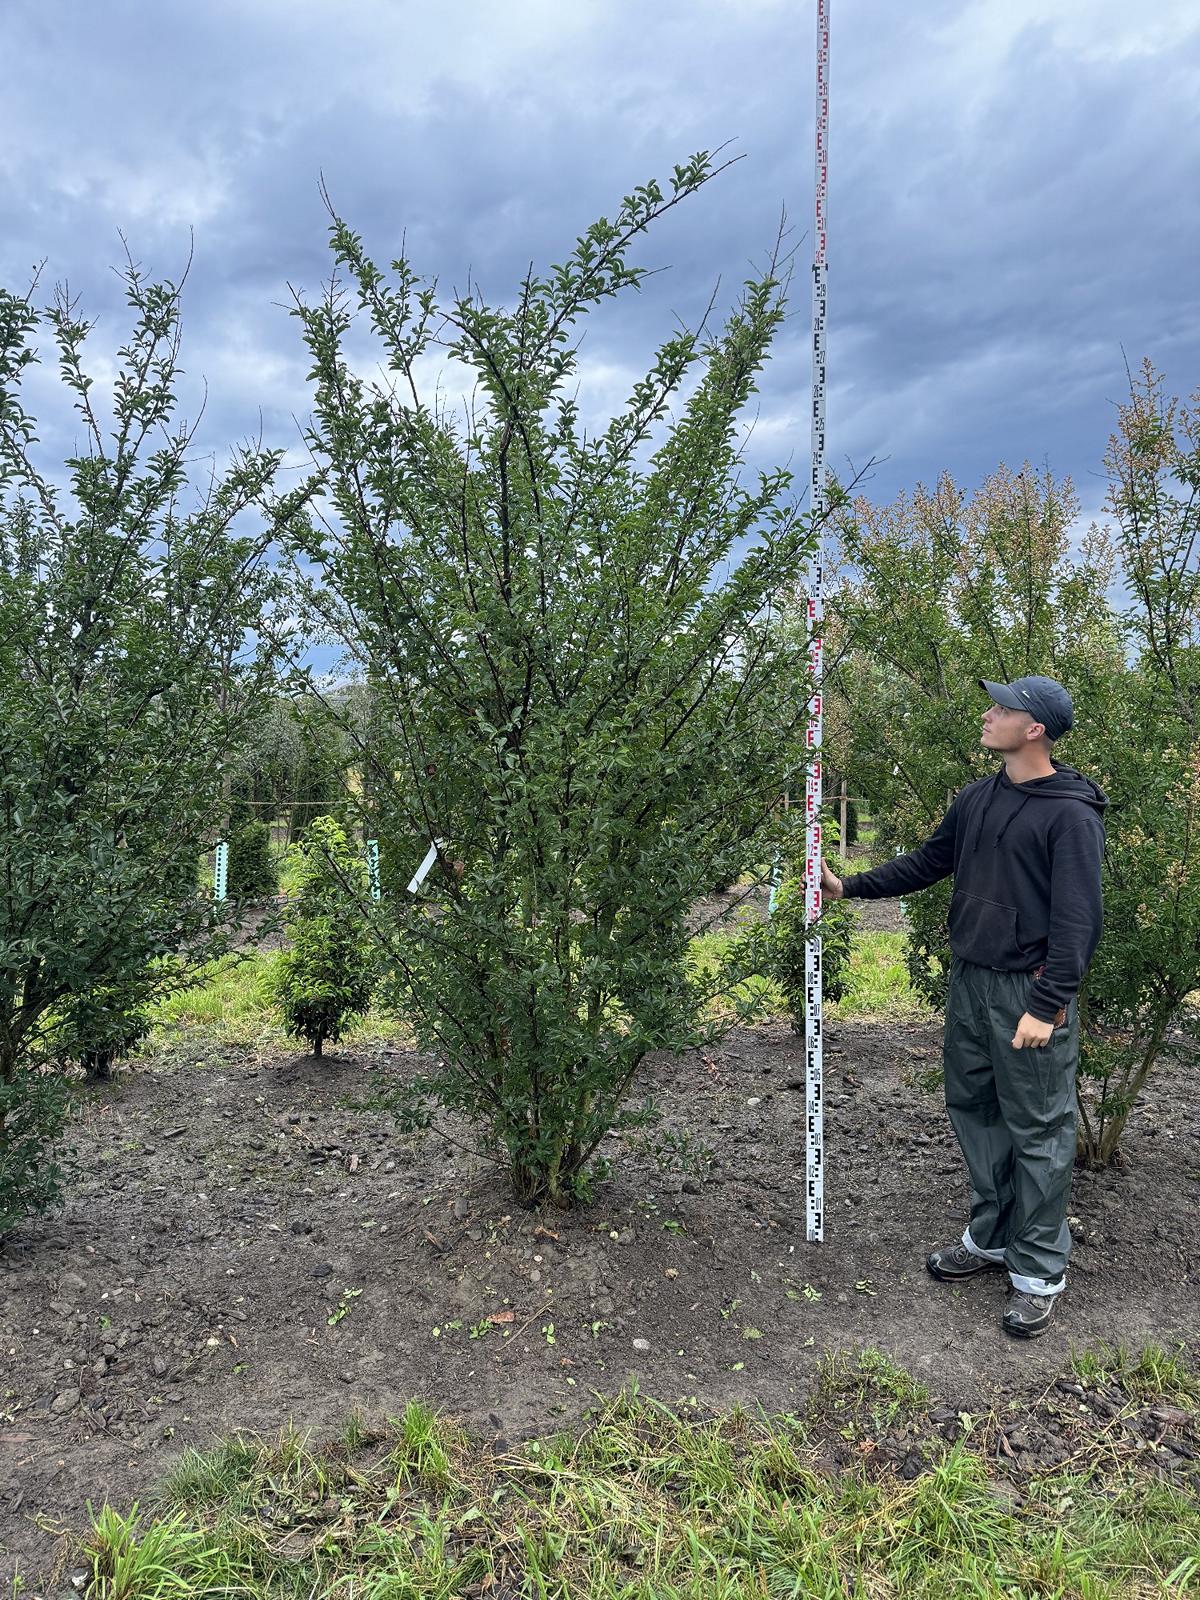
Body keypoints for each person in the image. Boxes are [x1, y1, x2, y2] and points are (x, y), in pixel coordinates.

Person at [821, 675, 1107, 1338]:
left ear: (1034, 728)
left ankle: (1038, 1272)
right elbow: (931, 860)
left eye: (1002, 708)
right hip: (973, 982)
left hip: (1028, 993)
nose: (988, 713)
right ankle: (993, 1237)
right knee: (975, 1108)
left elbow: (1077, 920)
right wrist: (849, 887)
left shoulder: (1070, 814)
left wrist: (1048, 1002)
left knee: (1038, 1128)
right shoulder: (978, 798)